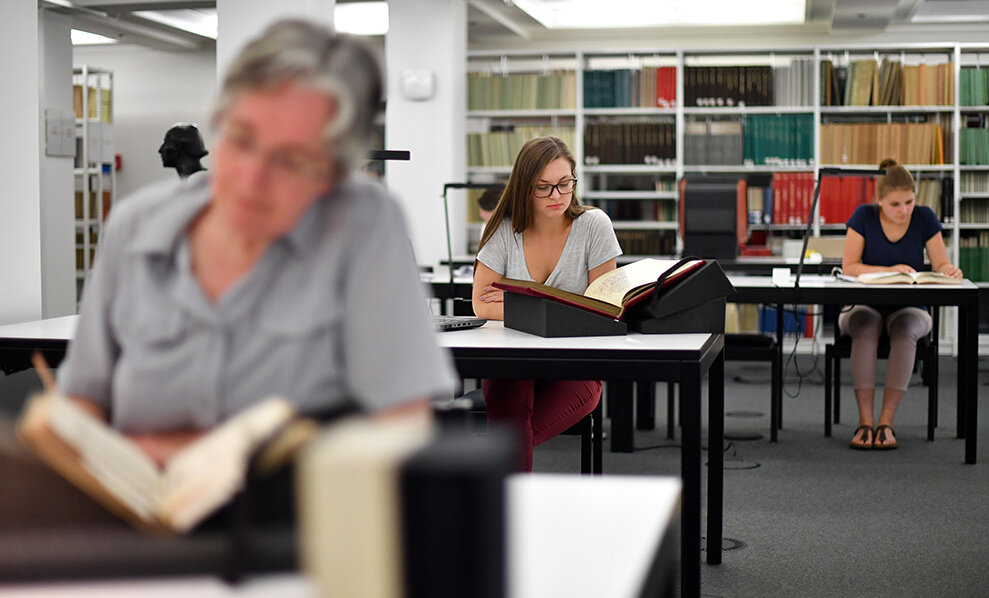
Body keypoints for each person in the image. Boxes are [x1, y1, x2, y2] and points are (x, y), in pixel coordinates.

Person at [2, 18, 455, 527]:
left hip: (295, 541)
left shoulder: (364, 225)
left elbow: (403, 427)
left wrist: (193, 453)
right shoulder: (137, 227)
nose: (252, 179)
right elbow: (84, 401)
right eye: (241, 140)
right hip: (140, 538)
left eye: (292, 161)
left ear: (333, 173)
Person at [472, 136, 622, 471]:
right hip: (512, 363)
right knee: (511, 404)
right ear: (524, 187)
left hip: (576, 365)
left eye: (565, 184)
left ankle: (488, 493)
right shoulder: (505, 228)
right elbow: (481, 305)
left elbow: (602, 309)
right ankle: (505, 504)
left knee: (508, 435)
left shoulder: (593, 225)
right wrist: (564, 307)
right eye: (544, 187)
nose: (557, 196)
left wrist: (521, 300)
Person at [839, 158, 962, 450]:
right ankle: (865, 422)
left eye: (909, 202)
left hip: (909, 307)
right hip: (864, 305)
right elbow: (850, 267)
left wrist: (948, 270)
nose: (904, 210)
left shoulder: (925, 217)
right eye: (895, 204)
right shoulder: (863, 216)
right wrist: (890, 271)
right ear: (879, 200)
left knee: (906, 329)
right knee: (866, 326)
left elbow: (940, 261)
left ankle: (886, 423)